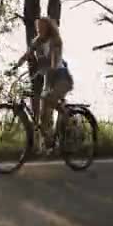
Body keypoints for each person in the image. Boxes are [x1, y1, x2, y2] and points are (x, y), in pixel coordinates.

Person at [13, 17, 74, 151]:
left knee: (48, 101)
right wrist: (15, 67)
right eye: (37, 27)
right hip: (49, 79)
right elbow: (27, 55)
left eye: (42, 26)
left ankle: (68, 119)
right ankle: (50, 143)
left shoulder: (55, 41)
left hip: (61, 78)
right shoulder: (36, 42)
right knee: (43, 116)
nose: (39, 29)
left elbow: (54, 61)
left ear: (48, 28)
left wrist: (41, 70)